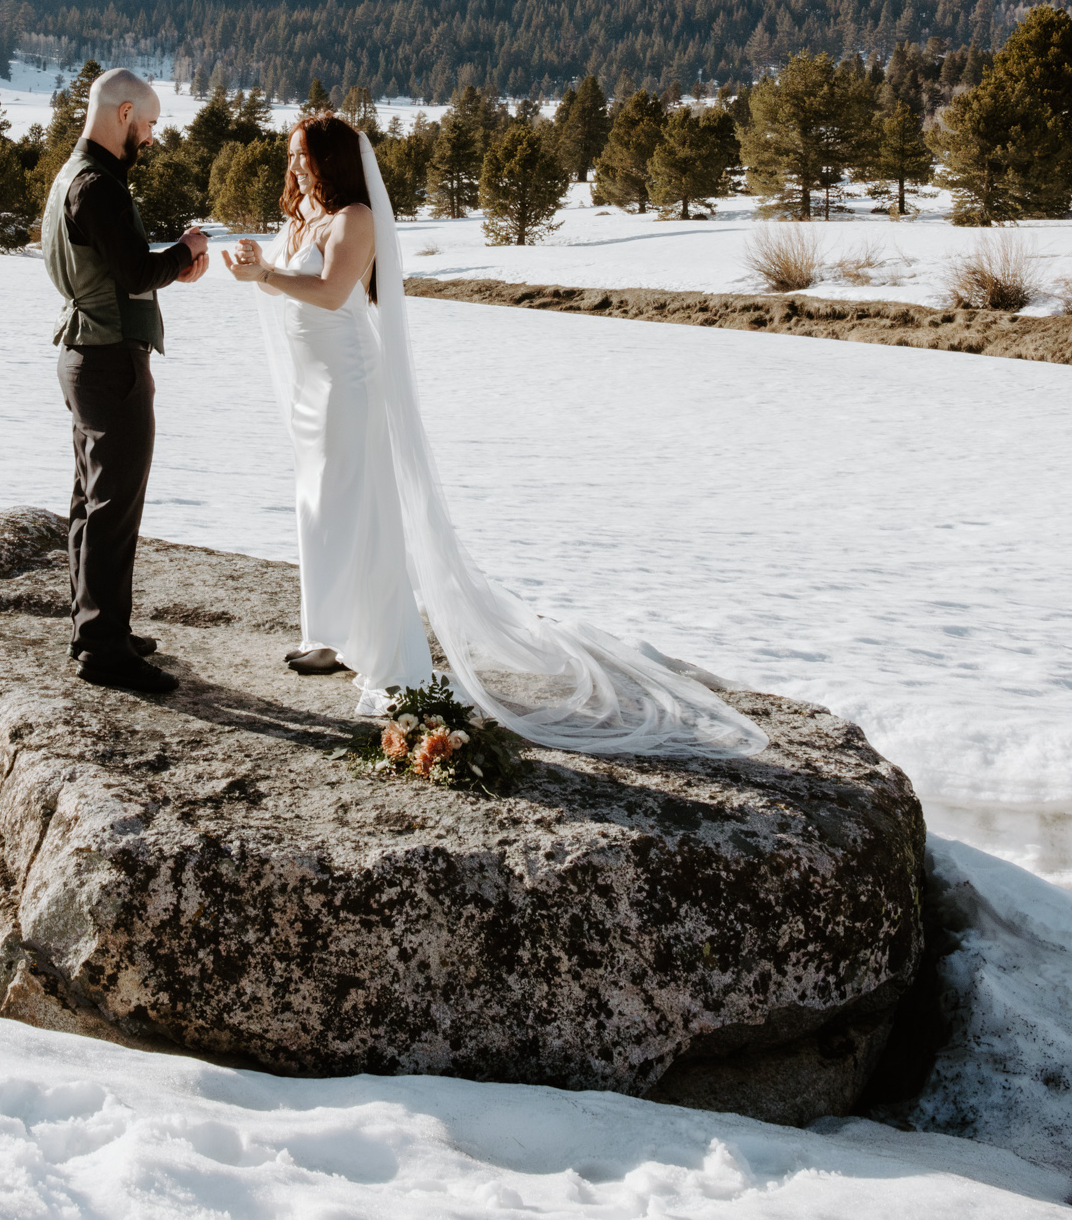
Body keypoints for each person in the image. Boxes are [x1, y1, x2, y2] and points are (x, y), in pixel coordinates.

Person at [224, 110, 766, 756]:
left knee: (357, 506)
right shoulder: (302, 218)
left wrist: (266, 276)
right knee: (319, 503)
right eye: (291, 156)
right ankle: (332, 632)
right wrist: (261, 266)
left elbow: (334, 291)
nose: (294, 166)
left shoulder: (354, 219)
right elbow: (292, 287)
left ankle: (379, 649)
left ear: (331, 159)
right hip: (312, 389)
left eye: (302, 155)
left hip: (348, 382)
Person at [44, 68, 207, 697]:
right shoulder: (98, 186)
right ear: (123, 114)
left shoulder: (73, 176)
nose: (150, 137)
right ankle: (105, 650)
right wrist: (186, 252)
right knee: (114, 504)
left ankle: (97, 628)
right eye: (148, 125)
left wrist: (167, 269)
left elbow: (118, 270)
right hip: (109, 361)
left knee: (93, 498)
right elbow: (136, 271)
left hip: (87, 353)